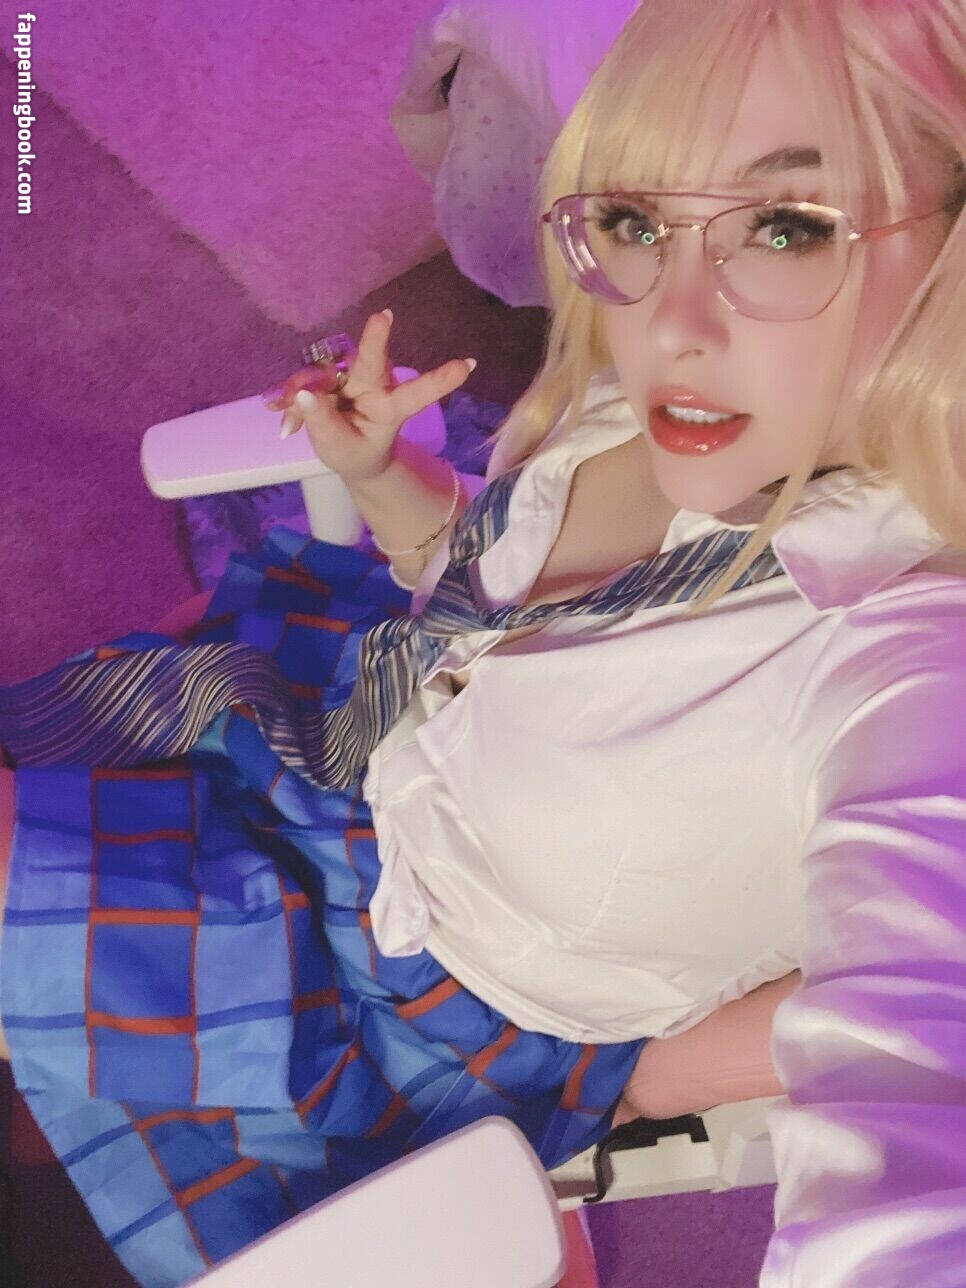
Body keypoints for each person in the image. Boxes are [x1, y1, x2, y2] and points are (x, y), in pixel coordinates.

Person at [1, 0, 964, 1284]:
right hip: (347, 747)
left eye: (786, 225)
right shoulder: (645, 403)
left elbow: (915, 1062)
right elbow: (481, 597)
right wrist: (386, 477)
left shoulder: (908, 657)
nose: (669, 319)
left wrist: (647, 1079)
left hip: (402, 1009)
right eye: (636, 221)